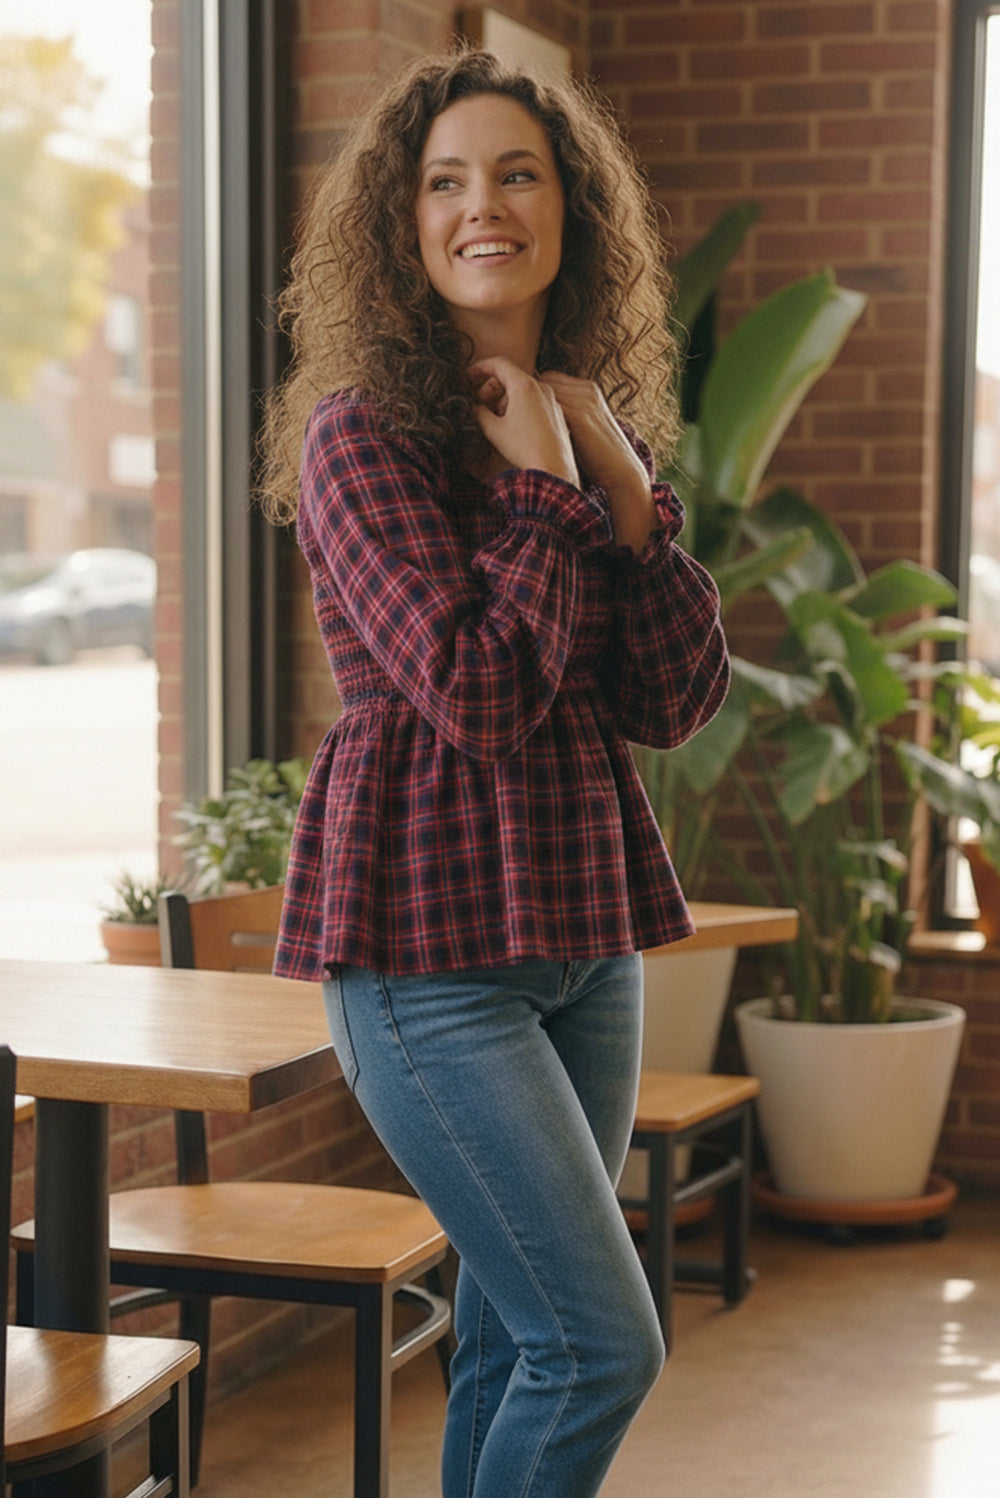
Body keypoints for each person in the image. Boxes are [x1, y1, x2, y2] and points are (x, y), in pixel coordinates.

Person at [259, 46, 729, 1498]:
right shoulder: (361, 438)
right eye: (445, 180)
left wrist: (629, 502)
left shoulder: (594, 426)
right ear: (401, 224)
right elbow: (475, 691)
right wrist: (542, 486)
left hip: (586, 942)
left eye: (518, 173)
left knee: (513, 1337)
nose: (485, 206)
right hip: (426, 967)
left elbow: (669, 696)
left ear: (568, 207)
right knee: (600, 1342)